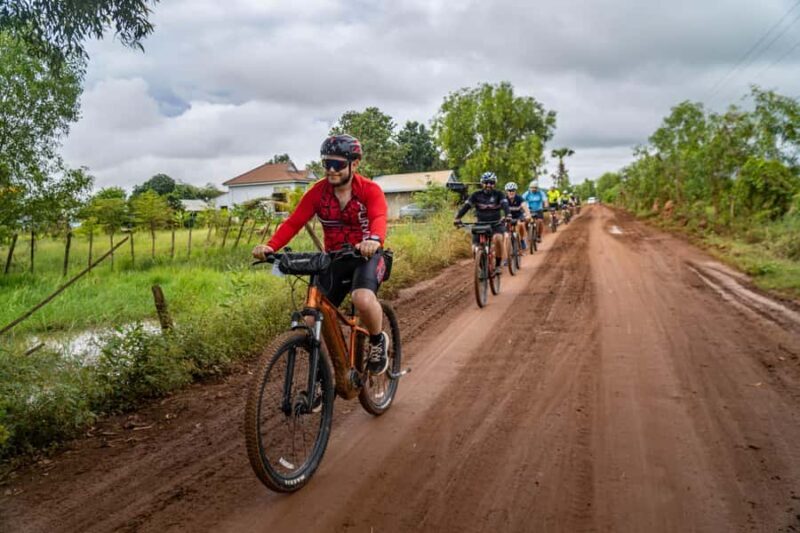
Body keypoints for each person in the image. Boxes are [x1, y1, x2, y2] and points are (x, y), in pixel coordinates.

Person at [252, 134, 391, 375]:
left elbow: (379, 217)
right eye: (326, 164)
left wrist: (373, 240)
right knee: (310, 320)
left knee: (362, 299)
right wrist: (271, 246)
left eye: (337, 164)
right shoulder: (318, 193)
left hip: (367, 257)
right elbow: (294, 223)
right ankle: (321, 376)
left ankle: (378, 341)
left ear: (354, 164)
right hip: (334, 259)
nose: (331, 170)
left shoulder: (370, 190)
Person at [453, 172, 510, 269]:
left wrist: (508, 215)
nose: (488, 185)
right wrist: (457, 218)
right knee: (474, 248)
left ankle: (497, 266)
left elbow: (505, 205)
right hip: (480, 224)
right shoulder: (476, 195)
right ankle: (482, 267)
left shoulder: (499, 194)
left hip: (496, 224)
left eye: (491, 183)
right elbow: (466, 207)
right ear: (482, 183)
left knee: (498, 239)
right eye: (486, 182)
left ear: (494, 183)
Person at [504, 182, 531, 250]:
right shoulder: (504, 199)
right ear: (506, 191)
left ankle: (522, 240)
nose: (511, 192)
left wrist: (528, 215)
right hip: (508, 216)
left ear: (515, 191)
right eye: (509, 191)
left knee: (521, 224)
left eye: (513, 190)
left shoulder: (519, 198)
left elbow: (525, 207)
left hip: (519, 215)